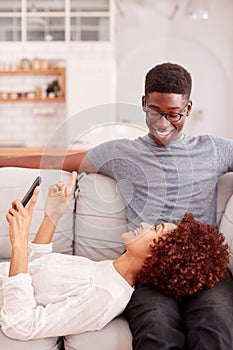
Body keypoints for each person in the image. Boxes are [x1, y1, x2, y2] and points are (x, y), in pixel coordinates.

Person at [0, 62, 233, 349]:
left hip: (203, 267)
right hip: (149, 268)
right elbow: (54, 160)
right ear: (144, 103)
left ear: (187, 108)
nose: (163, 124)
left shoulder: (214, 150)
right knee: (156, 325)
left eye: (173, 114)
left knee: (215, 321)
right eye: (155, 112)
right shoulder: (122, 152)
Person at [0, 172, 229, 341]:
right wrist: (52, 216)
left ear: (163, 255)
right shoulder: (107, 270)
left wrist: (19, 244)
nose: (144, 224)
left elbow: (21, 324)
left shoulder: (107, 295)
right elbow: (37, 271)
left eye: (156, 228)